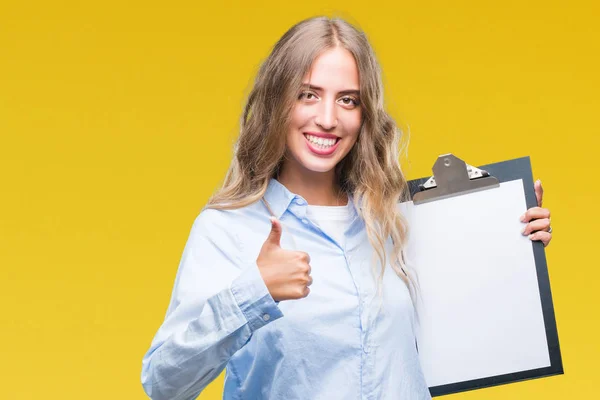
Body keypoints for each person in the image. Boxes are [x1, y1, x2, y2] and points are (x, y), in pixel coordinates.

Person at [140, 16, 553, 400]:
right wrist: (254, 291)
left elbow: (457, 330)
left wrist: (508, 240)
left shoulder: (395, 221)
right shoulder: (227, 229)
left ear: (364, 113)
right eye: (308, 95)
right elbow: (163, 382)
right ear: (277, 102)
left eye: (348, 100)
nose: (327, 118)